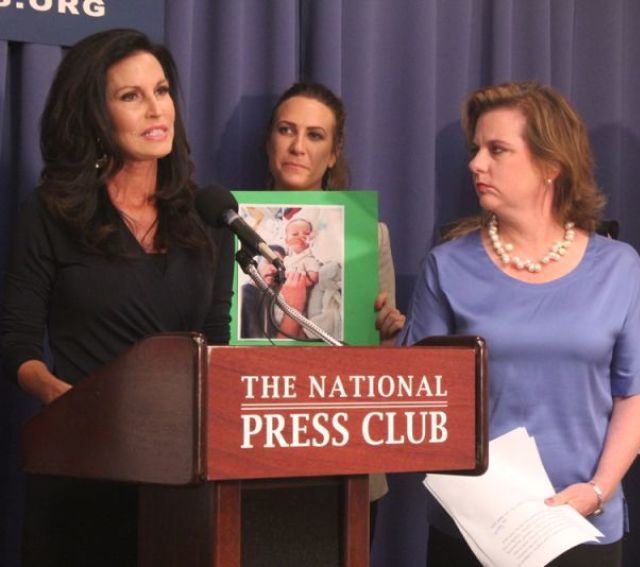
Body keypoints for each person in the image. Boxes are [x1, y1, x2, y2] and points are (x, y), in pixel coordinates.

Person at [398, 81, 640, 566]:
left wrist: (597, 489)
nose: (476, 164)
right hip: (475, 530)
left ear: (551, 165)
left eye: (497, 149)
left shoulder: (619, 267)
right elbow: (422, 400)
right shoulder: (447, 266)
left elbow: (635, 394)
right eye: (476, 149)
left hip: (582, 523)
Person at [0, 29, 233, 565]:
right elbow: (16, 341)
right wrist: (58, 395)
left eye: (162, 90)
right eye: (131, 96)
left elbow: (213, 344)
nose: (157, 109)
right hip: (84, 467)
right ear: (95, 116)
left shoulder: (207, 216)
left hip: (181, 477)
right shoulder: (51, 214)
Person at [262, 80, 405, 532]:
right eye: (287, 130)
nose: (298, 146)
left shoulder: (369, 235)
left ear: (334, 151)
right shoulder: (229, 228)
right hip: (256, 452)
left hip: (344, 455)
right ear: (270, 140)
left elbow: (380, 368)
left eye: (315, 135)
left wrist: (385, 335)